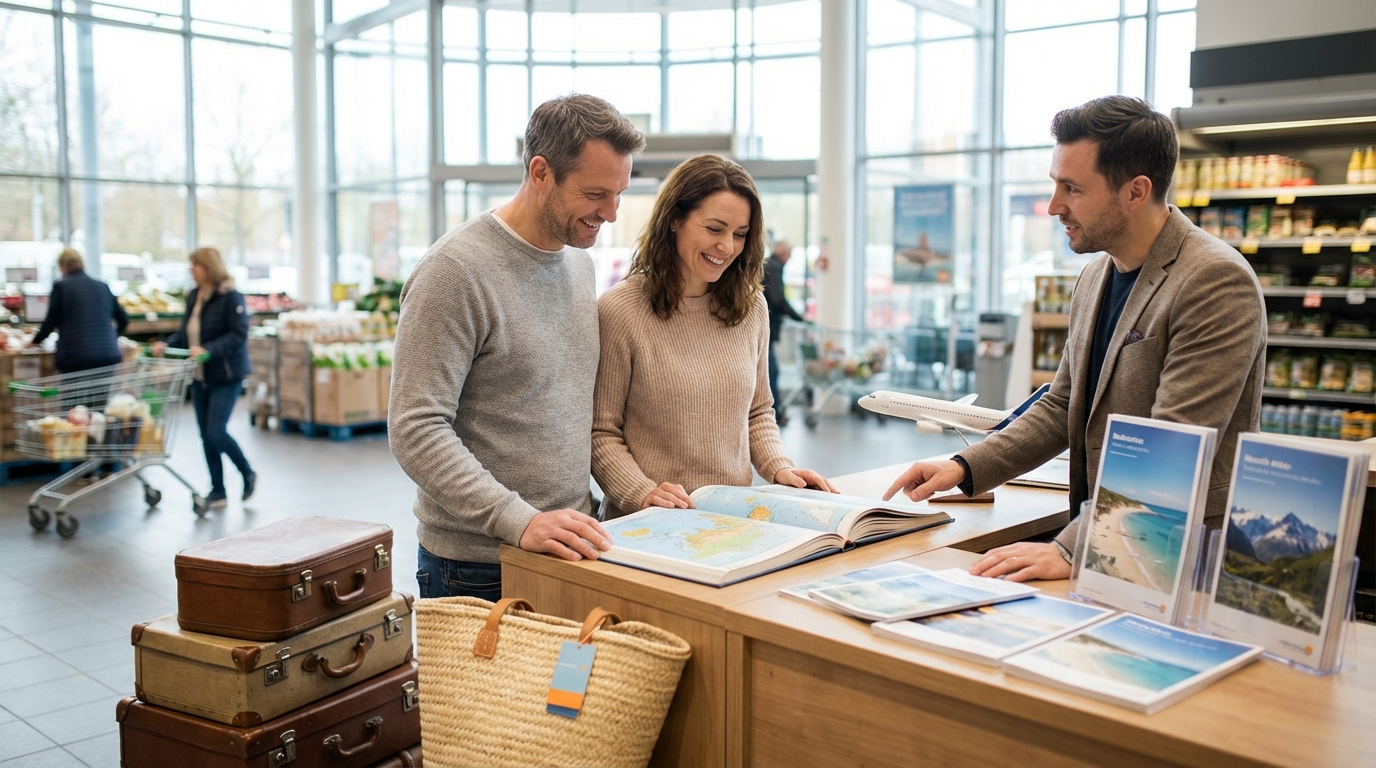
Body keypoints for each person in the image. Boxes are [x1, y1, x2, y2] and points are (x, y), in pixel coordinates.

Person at [883, 95, 1266, 582]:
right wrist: (963, 465)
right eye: (1054, 184)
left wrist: (1070, 551)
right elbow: (1062, 405)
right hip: (1103, 541)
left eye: (1072, 188)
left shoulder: (1214, 281)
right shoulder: (1093, 279)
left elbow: (1173, 447)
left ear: (1135, 190)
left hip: (1177, 558)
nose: (1052, 206)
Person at [389, 94, 646, 602]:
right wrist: (517, 520)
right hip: (479, 567)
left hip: (570, 544)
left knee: (563, 688)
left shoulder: (578, 264)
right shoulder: (455, 272)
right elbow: (415, 427)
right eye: (596, 193)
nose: (611, 214)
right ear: (540, 172)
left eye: (620, 193)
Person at [591, 154, 836, 519]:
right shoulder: (620, 310)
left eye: (740, 234)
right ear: (674, 219)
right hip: (647, 524)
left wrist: (780, 468)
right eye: (714, 228)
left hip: (731, 521)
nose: (727, 247)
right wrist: (642, 493)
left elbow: (757, 411)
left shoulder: (751, 306)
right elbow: (600, 432)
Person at [155, 247, 255, 510]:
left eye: (195, 264)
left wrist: (209, 350)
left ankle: (247, 472)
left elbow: (238, 334)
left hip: (227, 373)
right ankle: (218, 490)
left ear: (208, 266)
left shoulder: (230, 296)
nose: (191, 269)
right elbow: (186, 333)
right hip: (200, 375)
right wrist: (167, 345)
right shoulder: (194, 296)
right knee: (205, 435)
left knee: (215, 430)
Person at [30, 249, 129, 373]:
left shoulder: (61, 287)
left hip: (75, 357)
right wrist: (109, 339)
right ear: (82, 264)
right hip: (107, 356)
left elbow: (50, 322)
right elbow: (124, 320)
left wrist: (35, 341)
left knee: (76, 392)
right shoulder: (103, 286)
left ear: (62, 267)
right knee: (100, 392)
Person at [763, 239, 805, 425]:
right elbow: (778, 299)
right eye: (789, 253)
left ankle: (775, 412)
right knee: (771, 371)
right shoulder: (775, 267)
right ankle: (775, 414)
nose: (790, 258)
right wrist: (799, 317)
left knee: (770, 370)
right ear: (782, 252)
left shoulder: (767, 265)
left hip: (766, 326)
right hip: (767, 327)